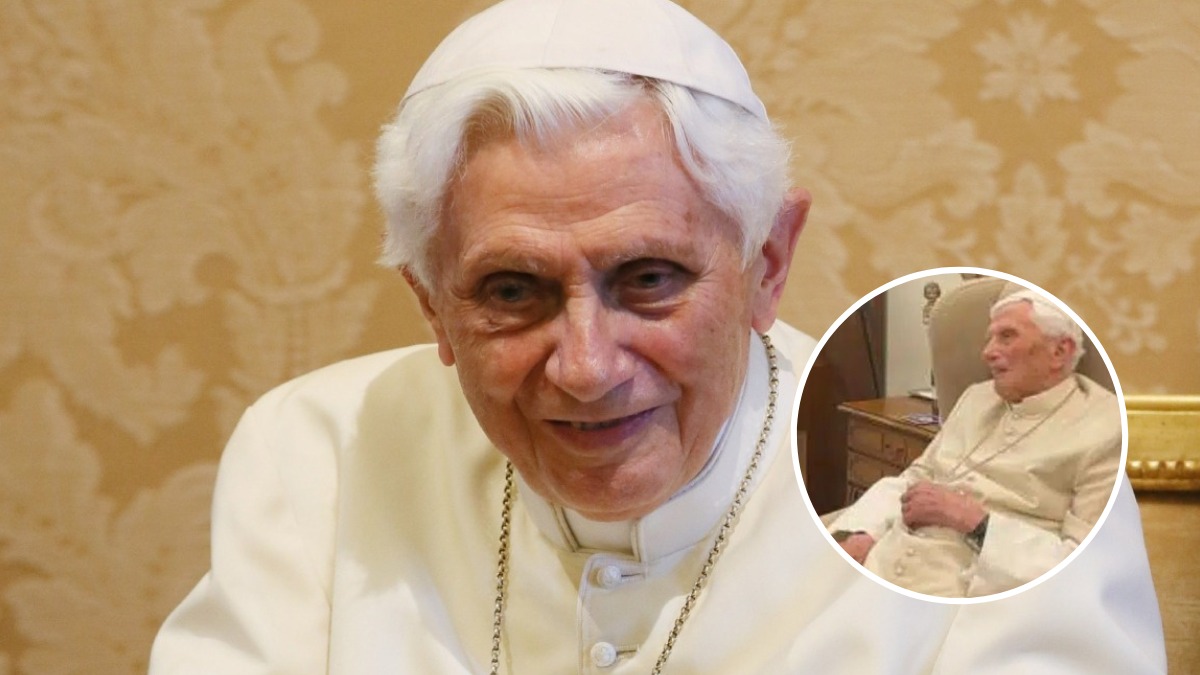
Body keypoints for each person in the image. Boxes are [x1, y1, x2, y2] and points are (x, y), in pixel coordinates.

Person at [149, 0, 1166, 672]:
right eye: (511, 289)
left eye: (648, 279)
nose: (587, 368)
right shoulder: (317, 452)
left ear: (768, 263)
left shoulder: (1052, 522)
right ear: (432, 305)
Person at [830, 288, 1123, 598]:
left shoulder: (1107, 427)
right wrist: (864, 532)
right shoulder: (976, 397)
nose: (987, 353)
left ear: (1059, 351)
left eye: (1007, 336)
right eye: (989, 339)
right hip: (888, 557)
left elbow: (1084, 565)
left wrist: (973, 520)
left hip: (974, 593)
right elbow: (917, 476)